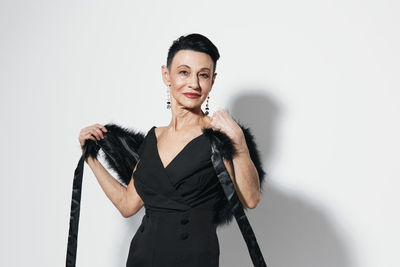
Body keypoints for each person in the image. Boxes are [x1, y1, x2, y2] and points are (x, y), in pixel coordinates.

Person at [78, 33, 261, 267]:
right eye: (184, 72)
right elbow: (127, 205)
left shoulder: (219, 136)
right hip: (142, 256)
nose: (194, 84)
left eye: (203, 75)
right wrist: (91, 158)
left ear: (212, 81)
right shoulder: (154, 137)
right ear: (167, 75)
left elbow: (251, 198)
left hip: (193, 259)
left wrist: (239, 141)